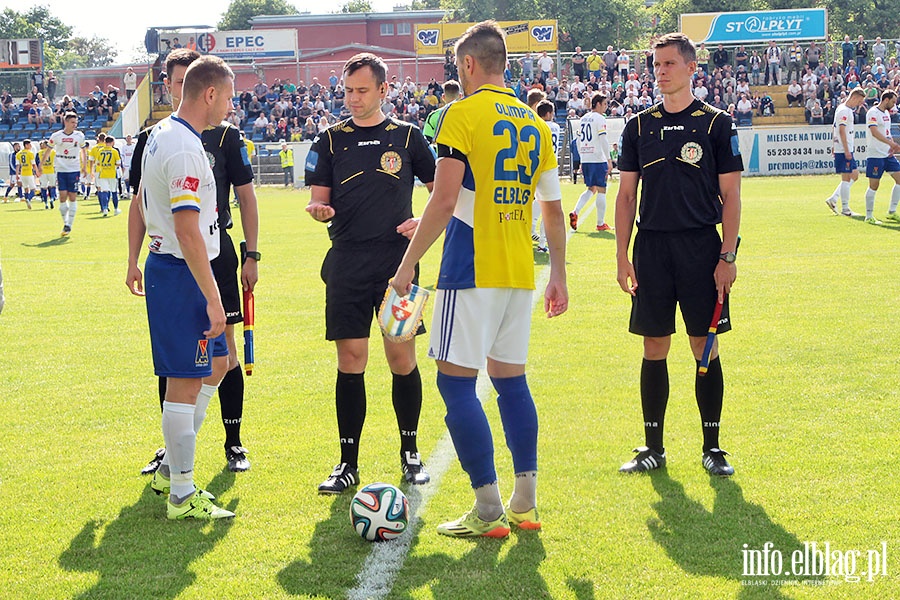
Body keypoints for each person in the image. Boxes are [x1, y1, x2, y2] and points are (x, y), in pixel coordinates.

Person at [390, 20, 568, 538]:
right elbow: (552, 211)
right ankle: (525, 502)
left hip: (469, 270)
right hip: (519, 272)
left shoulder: (459, 115)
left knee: (454, 381)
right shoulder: (536, 123)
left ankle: (488, 508)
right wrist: (558, 274)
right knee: (512, 381)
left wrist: (405, 268)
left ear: (468, 64)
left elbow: (445, 201)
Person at [305, 52, 436, 494]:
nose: (354, 99)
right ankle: (347, 462)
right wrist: (318, 210)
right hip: (345, 263)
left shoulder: (408, 137)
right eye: (347, 91)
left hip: (398, 266)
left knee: (402, 359)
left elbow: (443, 194)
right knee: (351, 361)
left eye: (362, 91)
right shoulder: (329, 139)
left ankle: (410, 453)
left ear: (384, 90)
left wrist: (424, 221)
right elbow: (317, 198)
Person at [614, 33, 743, 477]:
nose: (661, 71)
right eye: (656, 64)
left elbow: (732, 195)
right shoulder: (638, 126)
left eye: (669, 63)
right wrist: (621, 255)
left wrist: (727, 257)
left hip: (700, 247)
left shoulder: (716, 124)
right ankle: (653, 447)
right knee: (654, 345)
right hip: (650, 248)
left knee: (702, 346)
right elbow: (627, 194)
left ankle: (713, 447)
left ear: (691, 68)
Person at [132, 48, 260, 476]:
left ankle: (174, 463)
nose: (231, 105)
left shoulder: (164, 134)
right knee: (184, 381)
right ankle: (182, 488)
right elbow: (186, 230)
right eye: (228, 97)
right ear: (209, 94)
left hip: (190, 264)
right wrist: (211, 297)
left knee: (220, 362)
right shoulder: (185, 147)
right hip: (184, 269)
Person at [570, 92, 613, 232]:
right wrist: (608, 159)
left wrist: (582, 158)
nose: (606, 107)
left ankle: (575, 211)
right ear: (598, 104)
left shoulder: (583, 119)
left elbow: (577, 141)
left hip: (586, 157)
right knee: (601, 189)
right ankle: (600, 223)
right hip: (597, 158)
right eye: (605, 104)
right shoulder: (599, 118)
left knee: (591, 188)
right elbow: (603, 140)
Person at [824, 89, 866, 217]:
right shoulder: (844, 110)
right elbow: (841, 130)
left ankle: (834, 198)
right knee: (847, 177)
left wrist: (834, 144)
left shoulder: (843, 109)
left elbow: (834, 128)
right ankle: (845, 208)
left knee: (854, 175)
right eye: (859, 101)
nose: (859, 104)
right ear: (854, 97)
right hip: (844, 149)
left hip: (844, 148)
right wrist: (845, 149)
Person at [863, 90, 900, 225]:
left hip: (887, 155)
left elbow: (886, 132)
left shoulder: (886, 114)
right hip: (875, 154)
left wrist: (891, 146)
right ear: (886, 100)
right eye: (893, 102)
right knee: (874, 185)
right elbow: (874, 132)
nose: (894, 105)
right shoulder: (873, 112)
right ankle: (869, 216)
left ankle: (891, 211)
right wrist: (890, 143)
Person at [48, 112, 86, 236]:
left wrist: (84, 166)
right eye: (72, 122)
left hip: (74, 169)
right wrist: (41, 165)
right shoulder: (56, 135)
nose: (75, 125)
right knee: (63, 196)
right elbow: (49, 149)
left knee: (72, 197)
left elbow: (83, 151)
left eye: (76, 123)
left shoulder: (79, 136)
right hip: (61, 170)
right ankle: (65, 223)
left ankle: (69, 224)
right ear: (66, 122)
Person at [96, 136, 122, 216]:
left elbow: (97, 162)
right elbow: (118, 163)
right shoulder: (114, 151)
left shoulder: (100, 151)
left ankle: (105, 208)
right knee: (114, 192)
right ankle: (116, 209)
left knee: (104, 192)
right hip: (112, 173)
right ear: (112, 142)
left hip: (103, 174)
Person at [16, 139, 37, 209]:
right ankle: (28, 199)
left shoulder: (18, 154)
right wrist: (37, 172)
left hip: (22, 174)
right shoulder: (30, 153)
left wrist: (17, 175)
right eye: (30, 144)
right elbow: (33, 164)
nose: (31, 146)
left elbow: (18, 165)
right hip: (29, 173)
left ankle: (27, 202)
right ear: (26, 145)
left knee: (25, 189)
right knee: (33, 190)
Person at [38, 140, 56, 209]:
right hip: (51, 171)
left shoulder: (40, 152)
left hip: (43, 172)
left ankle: (45, 203)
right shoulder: (53, 152)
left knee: (43, 187)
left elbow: (38, 161)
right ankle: (51, 199)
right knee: (52, 186)